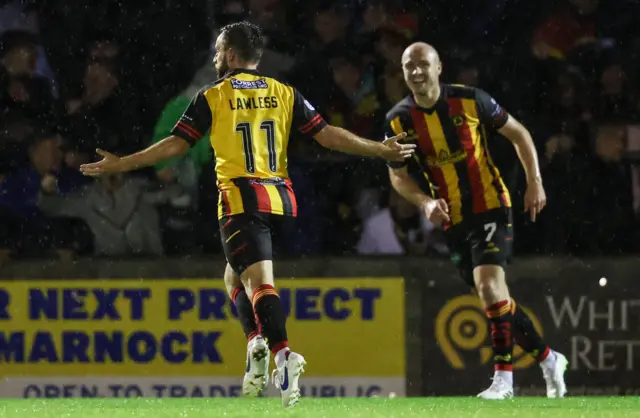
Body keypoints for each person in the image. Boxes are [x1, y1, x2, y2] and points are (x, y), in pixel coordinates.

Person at [79, 21, 413, 408]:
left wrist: (123, 164)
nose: (217, 57)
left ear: (233, 55)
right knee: (233, 275)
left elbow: (175, 145)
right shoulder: (284, 91)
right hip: (280, 200)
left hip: (240, 199)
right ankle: (255, 343)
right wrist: (378, 148)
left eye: (220, 50)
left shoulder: (215, 95)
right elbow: (328, 135)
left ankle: (284, 357)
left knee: (258, 283)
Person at [383, 42, 568, 400]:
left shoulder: (470, 100)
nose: (417, 72)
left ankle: (503, 381)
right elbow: (397, 175)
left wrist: (535, 182)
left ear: (439, 68)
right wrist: (424, 203)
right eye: (409, 67)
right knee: (494, 299)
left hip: (490, 205)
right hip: (452, 219)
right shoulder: (398, 120)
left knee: (488, 287)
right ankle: (548, 359)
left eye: (423, 64)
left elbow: (520, 133)